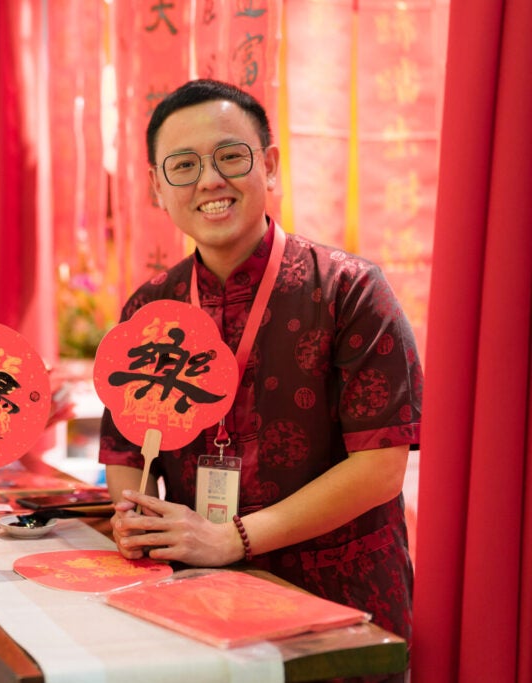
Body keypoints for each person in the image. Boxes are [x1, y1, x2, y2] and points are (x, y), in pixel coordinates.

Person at [99, 79, 422, 675]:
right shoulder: (149, 309)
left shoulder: (350, 290)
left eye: (230, 156)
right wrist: (135, 519)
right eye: (183, 165)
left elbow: (380, 465)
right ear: (156, 188)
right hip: (198, 602)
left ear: (269, 166)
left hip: (338, 605)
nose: (209, 180)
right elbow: (124, 451)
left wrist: (234, 539)